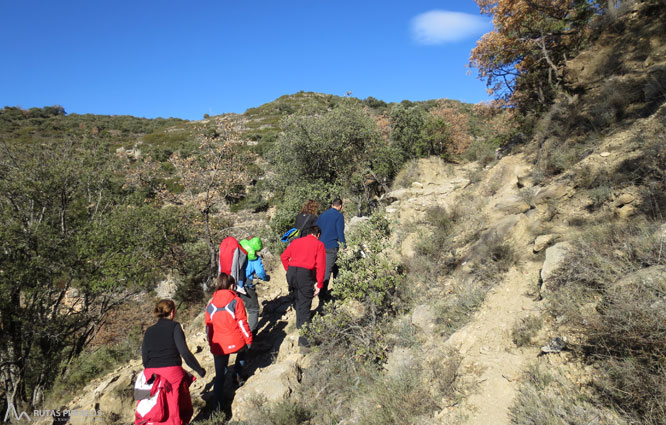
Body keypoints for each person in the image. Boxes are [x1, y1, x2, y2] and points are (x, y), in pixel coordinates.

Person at [140, 299, 206, 425]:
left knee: (154, 408)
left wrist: (153, 373)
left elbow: (145, 358)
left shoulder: (149, 331)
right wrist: (199, 370)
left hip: (151, 374)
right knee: (176, 409)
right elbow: (185, 352)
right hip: (172, 374)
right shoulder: (175, 327)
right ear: (172, 312)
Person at [205, 274, 253, 409]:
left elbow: (208, 328)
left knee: (219, 376)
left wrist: (211, 344)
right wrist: (249, 340)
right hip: (236, 342)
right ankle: (237, 376)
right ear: (231, 286)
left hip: (218, 345)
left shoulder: (210, 304)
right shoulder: (236, 301)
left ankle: (217, 406)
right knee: (244, 350)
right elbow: (242, 323)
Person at [280, 225, 326, 349]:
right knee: (305, 305)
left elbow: (283, 257)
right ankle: (304, 343)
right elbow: (321, 266)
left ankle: (299, 327)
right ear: (318, 235)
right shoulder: (319, 245)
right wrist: (319, 284)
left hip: (291, 274)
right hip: (304, 275)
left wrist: (288, 269)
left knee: (298, 301)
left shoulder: (296, 242)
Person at [316, 198, 346, 302]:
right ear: (340, 206)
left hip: (320, 246)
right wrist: (344, 245)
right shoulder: (339, 216)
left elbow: (317, 230)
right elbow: (340, 232)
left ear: (332, 204)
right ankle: (323, 296)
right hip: (331, 246)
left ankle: (336, 291)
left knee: (333, 267)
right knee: (327, 271)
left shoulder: (322, 215)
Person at [238, 237, 270, 332]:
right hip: (247, 286)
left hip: (233, 285)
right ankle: (251, 335)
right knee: (253, 310)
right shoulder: (255, 259)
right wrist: (266, 278)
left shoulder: (239, 255)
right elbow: (260, 272)